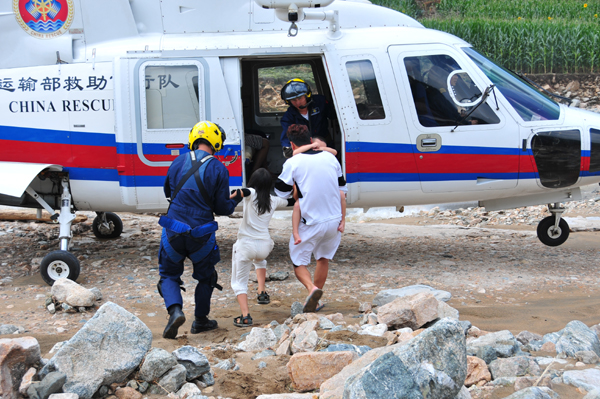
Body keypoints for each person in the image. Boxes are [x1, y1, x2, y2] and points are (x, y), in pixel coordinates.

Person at [158, 120, 243, 339]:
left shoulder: (178, 161)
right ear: (216, 143)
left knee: (168, 274)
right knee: (206, 277)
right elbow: (222, 208)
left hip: (173, 230)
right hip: (201, 234)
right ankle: (201, 320)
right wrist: (236, 199)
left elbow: (168, 191)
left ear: (193, 139)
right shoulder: (218, 168)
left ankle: (175, 311)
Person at [275, 124, 347, 313]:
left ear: (291, 143)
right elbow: (342, 189)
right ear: (310, 140)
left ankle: (311, 289)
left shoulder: (292, 162)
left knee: (299, 262)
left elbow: (280, 192)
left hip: (311, 222)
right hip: (334, 219)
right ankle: (316, 299)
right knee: (323, 259)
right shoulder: (330, 158)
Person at [229, 168, 295, 327]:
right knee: (259, 260)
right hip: (265, 247)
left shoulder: (251, 193)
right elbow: (293, 201)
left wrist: (231, 197)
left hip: (246, 245)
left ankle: (245, 316)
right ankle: (261, 292)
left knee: (239, 282)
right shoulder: (274, 200)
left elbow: (239, 192)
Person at [291, 136, 342, 246]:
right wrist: (312, 146)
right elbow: (295, 152)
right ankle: (296, 232)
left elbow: (334, 151)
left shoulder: (324, 155)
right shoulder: (300, 156)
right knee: (297, 205)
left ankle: (342, 221)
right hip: (304, 193)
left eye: (323, 148)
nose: (320, 149)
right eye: (317, 146)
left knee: (341, 194)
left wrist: (320, 148)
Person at [279, 78, 336, 158]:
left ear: (307, 95)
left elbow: (334, 115)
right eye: (293, 100)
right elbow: (287, 134)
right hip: (305, 150)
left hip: (325, 143)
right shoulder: (288, 117)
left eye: (300, 98)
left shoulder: (320, 102)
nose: (298, 103)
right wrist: (287, 148)